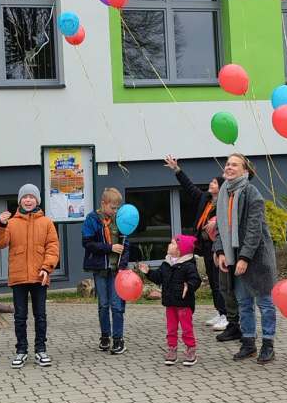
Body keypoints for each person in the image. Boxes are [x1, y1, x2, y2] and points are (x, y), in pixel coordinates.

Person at [213, 153, 278, 364]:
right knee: (243, 303)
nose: (229, 167)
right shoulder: (224, 194)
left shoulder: (252, 193)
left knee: (265, 304)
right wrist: (221, 252)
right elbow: (220, 228)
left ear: (245, 171)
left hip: (257, 260)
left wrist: (244, 257)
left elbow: (254, 230)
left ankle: (268, 345)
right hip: (234, 258)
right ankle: (248, 344)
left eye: (234, 164)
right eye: (227, 164)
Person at [0, 184, 60, 367]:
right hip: (18, 277)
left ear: (37, 200)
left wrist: (47, 268)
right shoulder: (11, 222)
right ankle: (21, 350)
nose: (28, 200)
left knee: (40, 315)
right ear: (19, 200)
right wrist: (1, 225)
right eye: (24, 197)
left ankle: (40, 350)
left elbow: (53, 247)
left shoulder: (46, 222)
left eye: (31, 197)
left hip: (40, 276)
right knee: (20, 316)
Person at [163, 155, 233, 331]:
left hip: (219, 246)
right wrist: (177, 170)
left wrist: (216, 222)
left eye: (214, 182)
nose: (211, 184)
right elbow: (189, 187)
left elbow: (230, 221)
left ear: (221, 187)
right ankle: (219, 311)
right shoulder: (205, 199)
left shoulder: (225, 203)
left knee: (219, 280)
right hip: (205, 246)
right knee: (212, 279)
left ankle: (226, 315)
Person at [139, 234, 202, 366]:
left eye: (172, 243)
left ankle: (191, 349)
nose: (169, 245)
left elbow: (196, 280)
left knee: (187, 328)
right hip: (170, 303)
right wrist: (148, 272)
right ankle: (172, 349)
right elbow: (158, 277)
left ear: (180, 250)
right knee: (171, 328)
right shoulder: (166, 264)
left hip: (184, 304)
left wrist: (189, 286)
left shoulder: (188, 265)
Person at [82, 187, 130, 354]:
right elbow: (87, 243)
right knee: (103, 305)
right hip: (100, 269)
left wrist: (122, 267)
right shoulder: (92, 219)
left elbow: (126, 245)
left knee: (116, 305)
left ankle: (118, 339)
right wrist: (110, 248)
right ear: (103, 204)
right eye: (112, 207)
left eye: (117, 208)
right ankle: (105, 336)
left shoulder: (120, 220)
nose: (115, 211)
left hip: (116, 270)